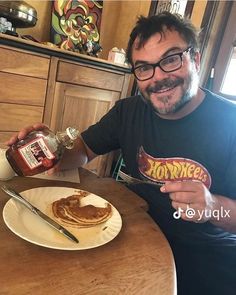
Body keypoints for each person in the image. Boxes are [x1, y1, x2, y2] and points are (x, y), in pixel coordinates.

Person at [7, 12, 236, 295]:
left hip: (206, 259)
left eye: (171, 59)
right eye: (144, 68)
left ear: (196, 59)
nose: (159, 78)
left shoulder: (231, 124)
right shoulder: (128, 112)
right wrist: (52, 150)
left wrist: (212, 206)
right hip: (134, 236)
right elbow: (83, 151)